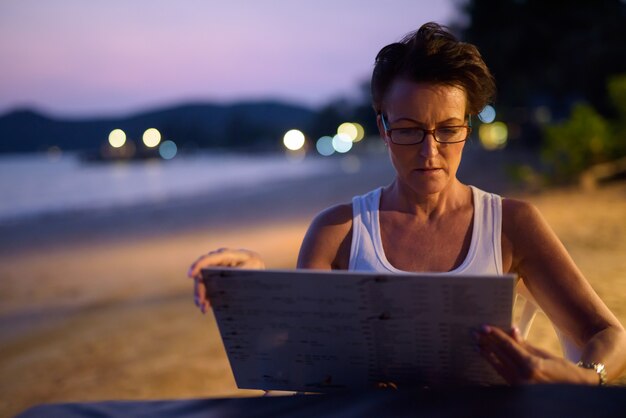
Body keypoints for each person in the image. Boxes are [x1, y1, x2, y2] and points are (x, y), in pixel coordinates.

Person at [188, 22, 626, 385]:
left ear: (467, 127)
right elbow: (302, 358)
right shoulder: (338, 232)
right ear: (383, 126)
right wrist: (256, 290)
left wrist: (587, 376)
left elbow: (608, 333)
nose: (429, 152)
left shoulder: (510, 223)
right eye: (410, 130)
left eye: (448, 129)